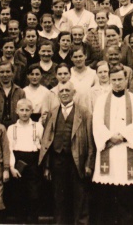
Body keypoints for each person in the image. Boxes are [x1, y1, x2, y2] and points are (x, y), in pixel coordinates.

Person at [92, 64, 133, 224]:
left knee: (127, 197)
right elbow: (97, 123)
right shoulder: (101, 100)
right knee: (107, 196)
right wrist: (109, 137)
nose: (117, 83)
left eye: (120, 79)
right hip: (108, 150)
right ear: (109, 80)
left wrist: (122, 137)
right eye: (113, 80)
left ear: (126, 79)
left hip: (127, 150)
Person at [39, 83, 94, 225]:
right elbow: (47, 139)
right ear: (57, 94)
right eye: (61, 91)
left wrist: (89, 163)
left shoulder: (84, 112)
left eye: (67, 90)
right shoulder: (52, 112)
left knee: (80, 196)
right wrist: (47, 165)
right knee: (59, 196)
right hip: (57, 160)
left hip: (77, 160)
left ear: (74, 92)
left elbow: (90, 140)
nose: (64, 93)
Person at [7, 98, 43, 224]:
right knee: (18, 194)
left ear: (32, 111)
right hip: (18, 161)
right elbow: (9, 149)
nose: (24, 113)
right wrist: (11, 167)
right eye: (21, 110)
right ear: (16, 111)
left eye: (27, 110)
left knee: (34, 194)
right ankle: (20, 220)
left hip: (33, 161)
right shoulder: (12, 128)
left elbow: (42, 145)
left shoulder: (37, 127)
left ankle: (33, 221)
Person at [0, 62, 26, 128]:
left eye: (8, 71)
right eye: (2, 72)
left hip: (15, 127)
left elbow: (23, 110)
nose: (5, 75)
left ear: (13, 73)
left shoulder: (20, 92)